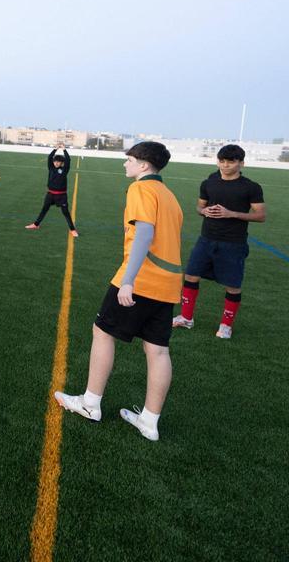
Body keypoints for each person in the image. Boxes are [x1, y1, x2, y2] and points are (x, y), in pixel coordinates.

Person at [54, 141, 183, 442]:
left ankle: (90, 403)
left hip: (143, 278)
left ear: (144, 165)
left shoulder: (141, 189)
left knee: (102, 331)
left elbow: (145, 233)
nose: (125, 164)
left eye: (129, 160)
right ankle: (149, 422)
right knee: (158, 350)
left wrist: (129, 279)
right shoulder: (170, 196)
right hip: (168, 284)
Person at [173, 144, 266, 339]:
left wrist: (231, 214)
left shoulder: (251, 187)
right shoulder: (209, 182)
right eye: (222, 161)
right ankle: (186, 318)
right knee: (190, 276)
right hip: (206, 239)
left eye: (231, 162)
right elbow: (199, 207)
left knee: (232, 285)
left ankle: (226, 325)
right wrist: (204, 211)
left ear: (242, 163)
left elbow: (260, 216)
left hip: (233, 243)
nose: (225, 165)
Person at [25, 144, 79, 236]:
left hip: (61, 195)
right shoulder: (51, 168)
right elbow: (50, 157)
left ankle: (72, 229)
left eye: (58, 162)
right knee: (44, 209)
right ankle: (36, 224)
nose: (56, 163)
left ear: (62, 163)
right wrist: (55, 149)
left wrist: (64, 149)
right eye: (55, 161)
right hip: (50, 194)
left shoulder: (64, 170)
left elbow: (68, 160)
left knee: (65, 212)